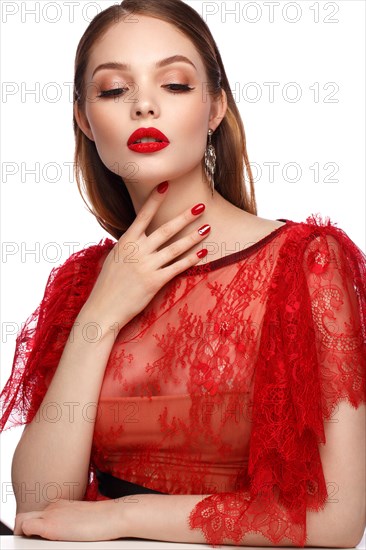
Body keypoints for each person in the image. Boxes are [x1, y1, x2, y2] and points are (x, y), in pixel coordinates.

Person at [1, 0, 365, 547]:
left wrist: (122, 518)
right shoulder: (84, 281)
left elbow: (338, 520)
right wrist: (99, 312)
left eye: (173, 85)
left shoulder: (306, 263)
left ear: (215, 106)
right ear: (83, 118)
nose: (144, 106)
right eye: (113, 90)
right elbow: (36, 507)